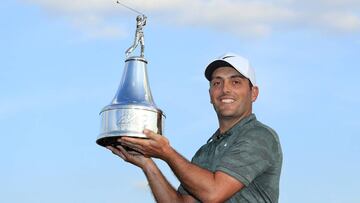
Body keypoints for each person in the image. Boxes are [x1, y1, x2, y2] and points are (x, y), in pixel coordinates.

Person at [107, 52, 283, 203]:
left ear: (254, 93)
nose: (225, 89)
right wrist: (147, 163)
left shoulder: (259, 136)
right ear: (210, 95)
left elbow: (214, 193)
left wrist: (166, 153)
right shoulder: (205, 152)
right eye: (217, 83)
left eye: (236, 82)